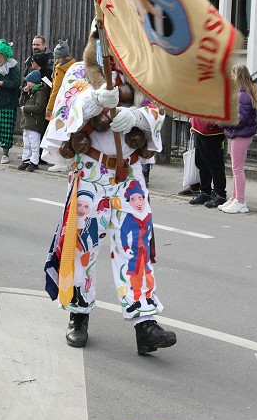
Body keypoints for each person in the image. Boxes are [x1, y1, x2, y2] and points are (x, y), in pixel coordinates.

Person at [40, 33, 176, 355]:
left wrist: (137, 116)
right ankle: (78, 314)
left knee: (135, 245)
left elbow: (159, 110)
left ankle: (145, 324)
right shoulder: (78, 72)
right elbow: (66, 113)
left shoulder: (144, 71)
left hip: (129, 174)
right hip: (91, 173)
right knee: (83, 245)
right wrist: (95, 100)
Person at [219, 65, 257, 214]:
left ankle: (240, 200)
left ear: (238, 76)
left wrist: (222, 122)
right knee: (235, 168)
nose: (231, 78)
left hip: (241, 134)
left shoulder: (243, 95)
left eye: (232, 75)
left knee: (237, 168)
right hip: (239, 133)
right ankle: (235, 198)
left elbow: (240, 119)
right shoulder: (243, 92)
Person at [188, 114, 227, 208]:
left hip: (211, 131)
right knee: (201, 163)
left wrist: (211, 123)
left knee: (214, 164)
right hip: (200, 128)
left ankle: (220, 194)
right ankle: (205, 191)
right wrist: (194, 123)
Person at [19, 68, 50, 171]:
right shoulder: (30, 92)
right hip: (27, 121)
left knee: (34, 143)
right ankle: (26, 160)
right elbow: (21, 103)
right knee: (26, 142)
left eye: (30, 81)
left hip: (35, 121)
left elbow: (39, 107)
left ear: (35, 82)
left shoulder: (39, 92)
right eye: (27, 81)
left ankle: (34, 161)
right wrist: (24, 93)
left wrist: (26, 109)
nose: (28, 84)